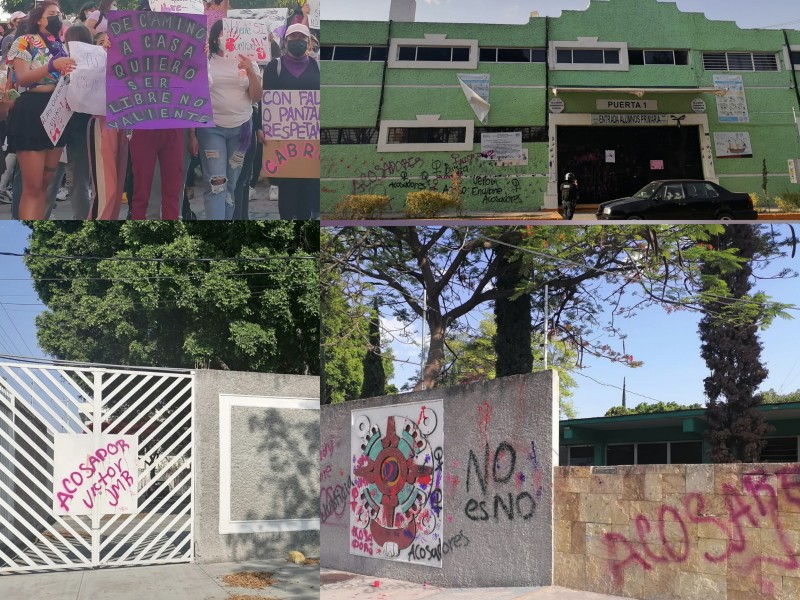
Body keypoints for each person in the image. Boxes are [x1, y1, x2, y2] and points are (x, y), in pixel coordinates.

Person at [6, 0, 77, 219]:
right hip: (32, 110)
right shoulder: (23, 41)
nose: (57, 17)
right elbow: (22, 78)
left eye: (59, 13)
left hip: (57, 109)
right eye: (52, 13)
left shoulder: (60, 44)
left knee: (47, 181)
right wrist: (51, 66)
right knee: (32, 185)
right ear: (38, 18)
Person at [190, 19, 261, 220]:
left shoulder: (248, 60)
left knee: (231, 185)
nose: (226, 38)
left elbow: (256, 97)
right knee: (216, 184)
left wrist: (251, 71)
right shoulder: (206, 59)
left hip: (241, 130)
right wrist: (192, 133)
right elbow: (194, 96)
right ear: (214, 37)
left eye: (231, 33)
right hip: (211, 129)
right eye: (222, 33)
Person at [262, 23, 320, 219]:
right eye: (293, 38)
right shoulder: (274, 67)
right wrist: (262, 128)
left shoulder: (317, 67)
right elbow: (266, 100)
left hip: (311, 138)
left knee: (307, 189)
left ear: (309, 42)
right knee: (287, 189)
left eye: (301, 38)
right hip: (283, 139)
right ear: (286, 42)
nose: (297, 42)